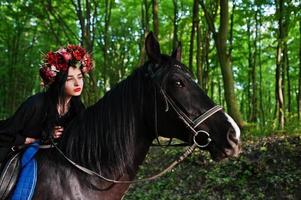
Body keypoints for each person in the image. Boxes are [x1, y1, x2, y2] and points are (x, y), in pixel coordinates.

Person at [0, 45, 94, 162]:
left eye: (80, 77)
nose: (77, 83)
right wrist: (33, 139)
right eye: (69, 79)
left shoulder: (78, 108)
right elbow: (4, 133)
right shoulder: (36, 103)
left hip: (52, 160)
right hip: (16, 153)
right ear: (59, 81)